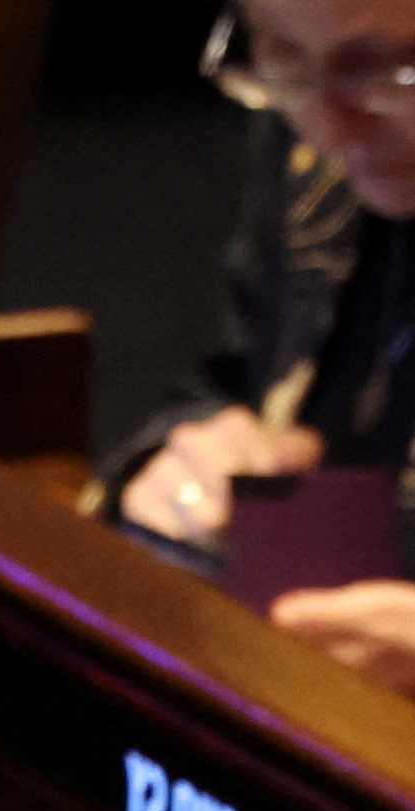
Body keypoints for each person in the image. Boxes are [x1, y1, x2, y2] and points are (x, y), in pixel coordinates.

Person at [109, 0, 415, 690]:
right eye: (284, 57)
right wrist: (175, 470)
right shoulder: (315, 125)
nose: (331, 131)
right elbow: (226, 384)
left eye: (396, 66)